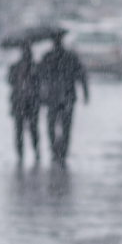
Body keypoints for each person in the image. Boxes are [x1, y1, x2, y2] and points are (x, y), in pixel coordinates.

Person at [38, 32, 89, 165]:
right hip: (67, 96)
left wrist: (41, 96)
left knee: (52, 125)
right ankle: (63, 152)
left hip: (53, 97)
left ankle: (55, 151)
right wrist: (85, 93)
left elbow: (40, 78)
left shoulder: (48, 57)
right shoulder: (70, 56)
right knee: (66, 126)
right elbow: (81, 75)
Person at [8, 44, 41, 163]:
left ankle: (35, 152)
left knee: (32, 129)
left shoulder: (35, 67)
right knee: (20, 130)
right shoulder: (15, 67)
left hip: (31, 103)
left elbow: (40, 82)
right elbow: (10, 81)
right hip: (20, 103)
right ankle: (21, 154)